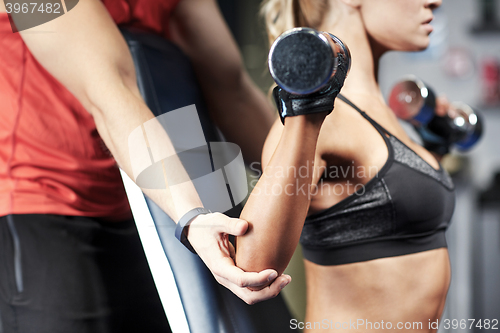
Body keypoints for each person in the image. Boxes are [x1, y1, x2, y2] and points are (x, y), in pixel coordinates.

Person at [0, 0, 292, 332]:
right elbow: (110, 90)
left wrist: (308, 186)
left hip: (148, 208)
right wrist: (192, 219)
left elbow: (229, 88)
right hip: (41, 199)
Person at [234, 0, 454, 331]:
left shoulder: (376, 110)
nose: (435, 1)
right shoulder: (321, 117)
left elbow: (384, 202)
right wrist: (306, 110)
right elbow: (253, 267)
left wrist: (434, 149)